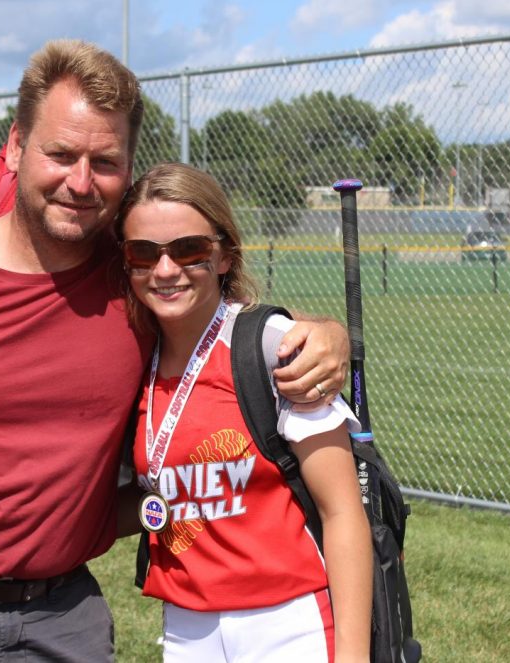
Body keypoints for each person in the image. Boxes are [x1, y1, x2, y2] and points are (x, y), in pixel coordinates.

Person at [0, 39, 351, 663]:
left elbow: (227, 318)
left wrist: (326, 331)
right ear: (15, 147)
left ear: (130, 166)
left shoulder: (135, 277)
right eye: (60, 154)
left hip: (64, 621)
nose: (80, 183)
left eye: (104, 161)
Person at [115, 162, 372, 663]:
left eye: (189, 250)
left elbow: (342, 512)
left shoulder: (275, 347)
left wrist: (353, 655)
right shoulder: (131, 360)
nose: (165, 270)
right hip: (187, 623)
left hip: (289, 619)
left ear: (225, 256)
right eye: (143, 254)